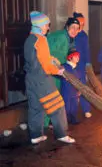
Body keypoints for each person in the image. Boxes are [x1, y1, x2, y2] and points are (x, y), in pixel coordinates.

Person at [24, 11, 75, 144]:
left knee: (36, 106)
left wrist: (55, 61)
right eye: (46, 25)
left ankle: (35, 136)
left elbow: (42, 58)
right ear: (40, 25)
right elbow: (45, 63)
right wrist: (56, 70)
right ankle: (62, 134)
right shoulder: (41, 40)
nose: (48, 27)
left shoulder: (30, 39)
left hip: (31, 79)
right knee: (57, 105)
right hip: (42, 79)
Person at [44, 17, 80, 128]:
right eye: (72, 27)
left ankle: (51, 121)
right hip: (52, 71)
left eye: (77, 28)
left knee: (55, 95)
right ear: (67, 27)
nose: (74, 30)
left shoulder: (68, 38)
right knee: (52, 95)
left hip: (57, 71)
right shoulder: (62, 37)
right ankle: (46, 122)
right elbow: (51, 54)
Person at [74, 12, 92, 118]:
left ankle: (86, 109)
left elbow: (86, 50)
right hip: (71, 64)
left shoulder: (84, 35)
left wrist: (87, 63)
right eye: (80, 22)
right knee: (72, 88)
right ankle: (72, 112)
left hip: (81, 65)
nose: (82, 24)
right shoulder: (71, 33)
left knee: (83, 87)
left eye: (83, 22)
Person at [61, 48, 81, 125]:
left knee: (74, 106)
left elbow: (79, 79)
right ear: (70, 57)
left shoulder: (77, 67)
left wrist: (79, 90)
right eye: (75, 56)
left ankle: (73, 119)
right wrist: (62, 76)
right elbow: (56, 73)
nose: (77, 58)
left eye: (78, 56)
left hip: (75, 91)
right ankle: (66, 121)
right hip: (66, 90)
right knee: (67, 107)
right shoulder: (64, 66)